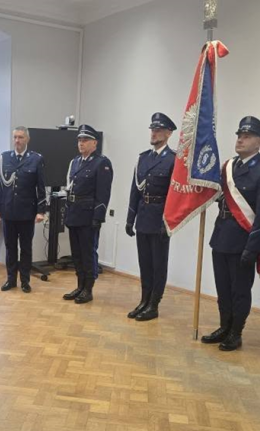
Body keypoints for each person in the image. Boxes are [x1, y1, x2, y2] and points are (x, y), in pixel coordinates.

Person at [201, 116, 260, 350]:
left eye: (246, 136)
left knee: (240, 291)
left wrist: (252, 248)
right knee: (223, 288)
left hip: (243, 240)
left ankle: (236, 332)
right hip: (221, 236)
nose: (240, 140)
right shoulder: (228, 166)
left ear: (259, 142)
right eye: (239, 135)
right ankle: (224, 326)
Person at [125, 112, 177, 321]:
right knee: (145, 263)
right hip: (144, 217)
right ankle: (144, 300)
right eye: (152, 130)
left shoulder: (173, 160)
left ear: (168, 133)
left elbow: (174, 196)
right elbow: (135, 190)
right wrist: (130, 219)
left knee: (158, 264)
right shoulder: (143, 158)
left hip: (160, 219)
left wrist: (168, 222)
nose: (153, 133)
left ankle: (154, 304)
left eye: (158, 130)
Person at [62, 125, 113, 304]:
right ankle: (80, 285)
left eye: (85, 140)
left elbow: (103, 194)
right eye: (79, 140)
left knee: (88, 253)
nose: (81, 143)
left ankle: (88, 289)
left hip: (88, 215)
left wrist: (98, 217)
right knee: (76, 254)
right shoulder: (75, 162)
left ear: (94, 143)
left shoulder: (101, 163)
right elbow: (70, 189)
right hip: (74, 213)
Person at [0, 126, 47, 293]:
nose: (17, 140)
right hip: (8, 211)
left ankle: (25, 281)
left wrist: (41, 211)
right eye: (15, 137)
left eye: (21, 137)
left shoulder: (36, 159)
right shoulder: (4, 158)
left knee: (26, 248)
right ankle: (11, 279)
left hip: (26, 212)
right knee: (10, 248)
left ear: (27, 139)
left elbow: (41, 188)